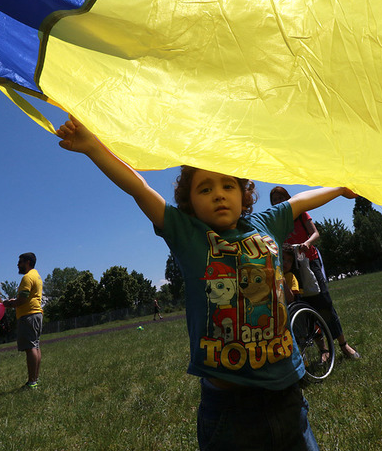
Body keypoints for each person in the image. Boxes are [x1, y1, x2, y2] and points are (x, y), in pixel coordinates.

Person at [57, 115, 355, 450]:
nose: (218, 194)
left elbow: (301, 201)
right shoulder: (186, 232)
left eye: (228, 185)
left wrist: (341, 188)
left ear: (244, 195)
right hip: (229, 408)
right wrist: (92, 148)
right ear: (189, 203)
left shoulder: (266, 222)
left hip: (286, 392)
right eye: (205, 188)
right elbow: (138, 188)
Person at [270, 186, 361, 359]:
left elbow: (315, 233)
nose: (278, 201)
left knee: (324, 302)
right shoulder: (276, 223)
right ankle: (324, 350)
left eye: (281, 197)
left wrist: (307, 243)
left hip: (309, 262)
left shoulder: (301, 213)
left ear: (288, 198)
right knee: (303, 306)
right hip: (291, 267)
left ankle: (343, 345)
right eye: (274, 199)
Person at [2, 252, 44, 390]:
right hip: (36, 313)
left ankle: (32, 382)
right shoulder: (36, 275)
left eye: (20, 262)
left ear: (27, 262)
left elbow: (23, 299)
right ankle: (35, 380)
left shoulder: (27, 277)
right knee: (35, 346)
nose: (17, 265)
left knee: (31, 347)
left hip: (28, 315)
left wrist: (10, 304)